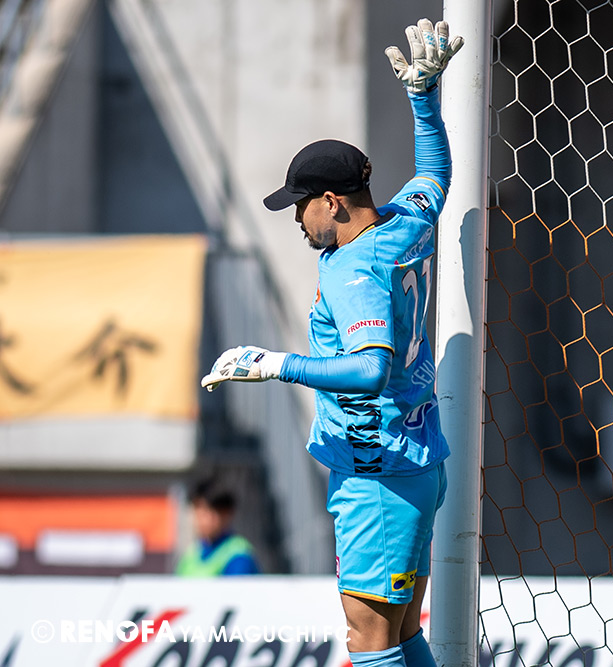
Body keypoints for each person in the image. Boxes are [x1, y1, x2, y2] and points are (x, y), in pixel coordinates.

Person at [200, 18, 463, 667]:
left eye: (300, 206)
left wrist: (277, 365)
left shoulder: (353, 269)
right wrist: (423, 99)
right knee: (400, 632)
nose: (296, 219)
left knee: (368, 640)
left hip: (376, 471)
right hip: (416, 460)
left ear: (331, 201)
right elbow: (435, 170)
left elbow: (371, 369)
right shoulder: (404, 221)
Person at [176, 478, 259, 576]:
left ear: (226, 513)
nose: (201, 519)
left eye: (207, 511)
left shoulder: (238, 556)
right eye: (197, 510)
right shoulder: (192, 555)